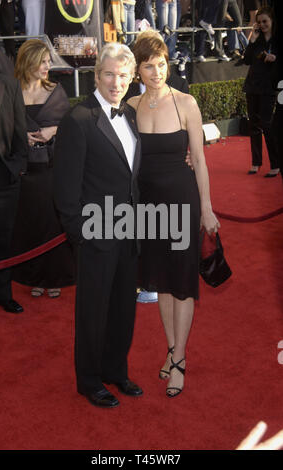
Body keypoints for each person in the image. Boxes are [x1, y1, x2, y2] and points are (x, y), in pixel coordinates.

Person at [128, 30, 220, 397]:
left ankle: (179, 359)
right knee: (161, 283)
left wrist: (207, 207)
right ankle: (171, 349)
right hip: (147, 207)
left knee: (182, 284)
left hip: (182, 202)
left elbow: (198, 158)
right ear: (137, 70)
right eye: (148, 67)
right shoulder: (130, 107)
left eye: (161, 65)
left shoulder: (186, 103)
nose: (156, 72)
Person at [53, 42, 143, 408]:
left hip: (129, 232)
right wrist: (81, 237)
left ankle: (115, 371)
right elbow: (65, 189)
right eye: (109, 74)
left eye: (123, 75)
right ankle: (89, 380)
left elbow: (132, 174)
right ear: (96, 75)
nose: (116, 82)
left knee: (124, 307)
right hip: (95, 236)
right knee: (92, 311)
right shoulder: (78, 120)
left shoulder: (131, 116)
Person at [12, 39, 75, 298]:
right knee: (31, 223)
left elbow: (73, 127)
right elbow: (1, 126)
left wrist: (53, 130)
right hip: (24, 173)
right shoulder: (12, 92)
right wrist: (19, 135)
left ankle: (54, 276)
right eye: (43, 61)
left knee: (52, 224)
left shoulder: (56, 91)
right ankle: (34, 276)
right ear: (29, 62)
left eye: (49, 61)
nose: (48, 65)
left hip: (51, 169)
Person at [0, 63, 28, 313]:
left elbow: (19, 131)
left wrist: (16, 166)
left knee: (2, 239)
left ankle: (2, 294)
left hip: (2, 177)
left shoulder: (9, 84)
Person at [243, 6, 280, 177]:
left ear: (272, 21)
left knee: (267, 125)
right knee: (254, 126)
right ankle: (256, 162)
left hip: (269, 87)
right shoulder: (256, 40)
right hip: (252, 85)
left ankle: (275, 163)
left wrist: (275, 59)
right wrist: (252, 38)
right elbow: (246, 60)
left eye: (265, 21)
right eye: (259, 22)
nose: (262, 24)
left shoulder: (277, 41)